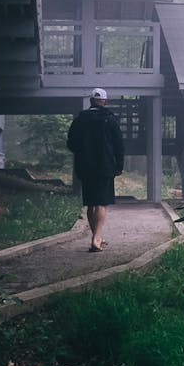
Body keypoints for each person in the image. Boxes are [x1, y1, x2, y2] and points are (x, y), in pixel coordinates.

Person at [66, 88, 124, 252]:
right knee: (101, 203)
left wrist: (82, 153)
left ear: (91, 101)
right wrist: (119, 165)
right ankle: (96, 237)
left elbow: (71, 143)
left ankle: (96, 236)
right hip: (105, 167)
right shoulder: (110, 120)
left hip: (85, 166)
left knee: (91, 203)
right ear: (104, 102)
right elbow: (119, 145)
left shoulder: (79, 120)